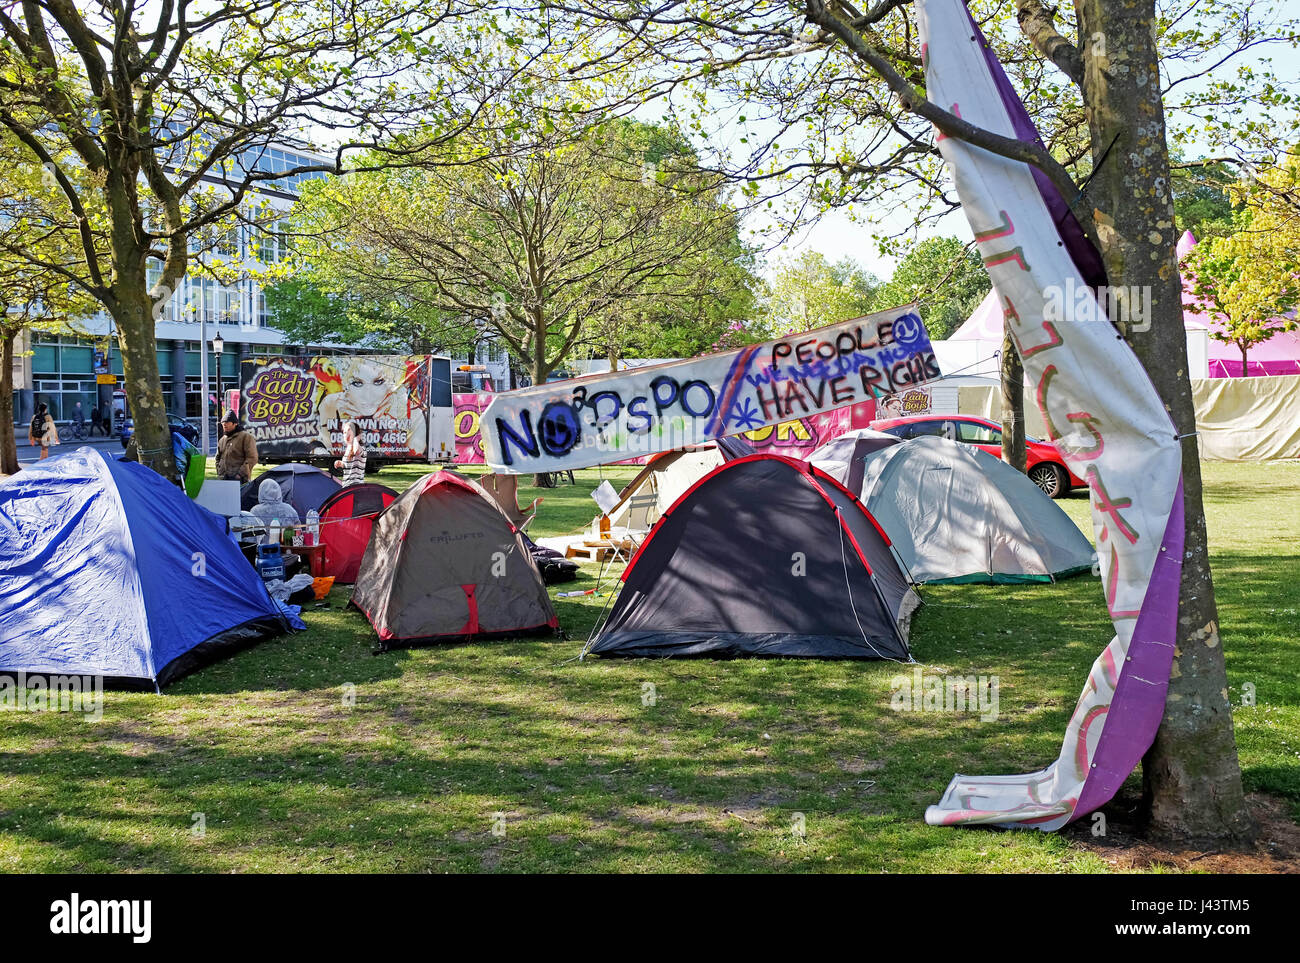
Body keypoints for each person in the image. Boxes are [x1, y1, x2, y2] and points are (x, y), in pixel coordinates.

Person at [249, 478, 301, 543]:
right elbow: (298, 532)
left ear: (261, 492)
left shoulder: (255, 511)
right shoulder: (289, 509)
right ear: (279, 491)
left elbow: (251, 537)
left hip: (262, 551)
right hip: (287, 549)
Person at [215, 410, 258, 482]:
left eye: (227, 422)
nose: (224, 425)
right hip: (223, 479)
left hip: (240, 480)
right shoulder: (222, 440)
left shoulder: (246, 437)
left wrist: (240, 474)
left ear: (235, 424)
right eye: (223, 423)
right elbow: (217, 458)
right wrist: (219, 471)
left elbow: (252, 458)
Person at [334, 420, 366, 485]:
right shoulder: (348, 449)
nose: (346, 435)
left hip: (356, 487)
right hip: (346, 486)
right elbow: (349, 467)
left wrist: (356, 439)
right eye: (344, 432)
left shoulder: (361, 448)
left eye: (349, 432)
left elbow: (357, 451)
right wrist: (341, 463)